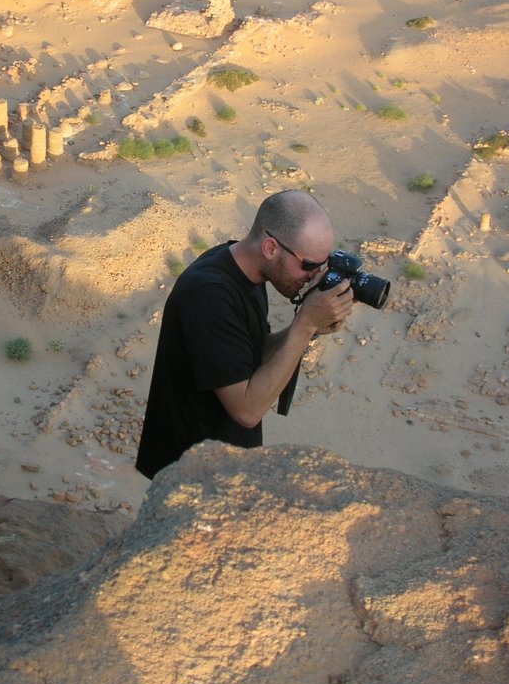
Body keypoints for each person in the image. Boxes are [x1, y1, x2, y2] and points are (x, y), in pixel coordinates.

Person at [135, 190, 354, 479]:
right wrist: (304, 325)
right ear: (270, 248)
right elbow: (247, 410)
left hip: (223, 465)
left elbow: (253, 354)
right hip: (192, 476)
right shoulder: (209, 295)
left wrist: (308, 327)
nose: (313, 276)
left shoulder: (247, 272)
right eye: (308, 265)